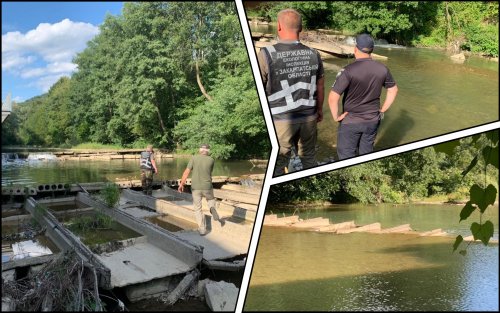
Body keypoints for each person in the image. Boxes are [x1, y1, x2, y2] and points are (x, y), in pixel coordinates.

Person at [257, 8, 325, 176]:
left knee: (279, 161)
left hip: (281, 119)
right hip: (308, 117)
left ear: (278, 26)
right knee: (309, 158)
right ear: (300, 28)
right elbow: (321, 86)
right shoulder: (314, 54)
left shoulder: (266, 54)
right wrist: (319, 110)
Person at [329, 33, 398, 160]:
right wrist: (382, 109)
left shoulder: (348, 70)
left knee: (346, 156)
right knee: (366, 154)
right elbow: (393, 90)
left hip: (351, 122)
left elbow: (333, 97)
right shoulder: (382, 69)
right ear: (372, 50)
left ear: (356, 48)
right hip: (372, 121)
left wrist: (336, 117)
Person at [178, 144, 222, 236]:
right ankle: (212, 208)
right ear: (208, 151)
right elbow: (209, 173)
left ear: (200, 150)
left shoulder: (193, 158)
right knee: (210, 199)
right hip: (207, 186)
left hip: (195, 187)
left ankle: (202, 229)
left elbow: (186, 172)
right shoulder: (211, 160)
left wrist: (181, 184)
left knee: (198, 208)